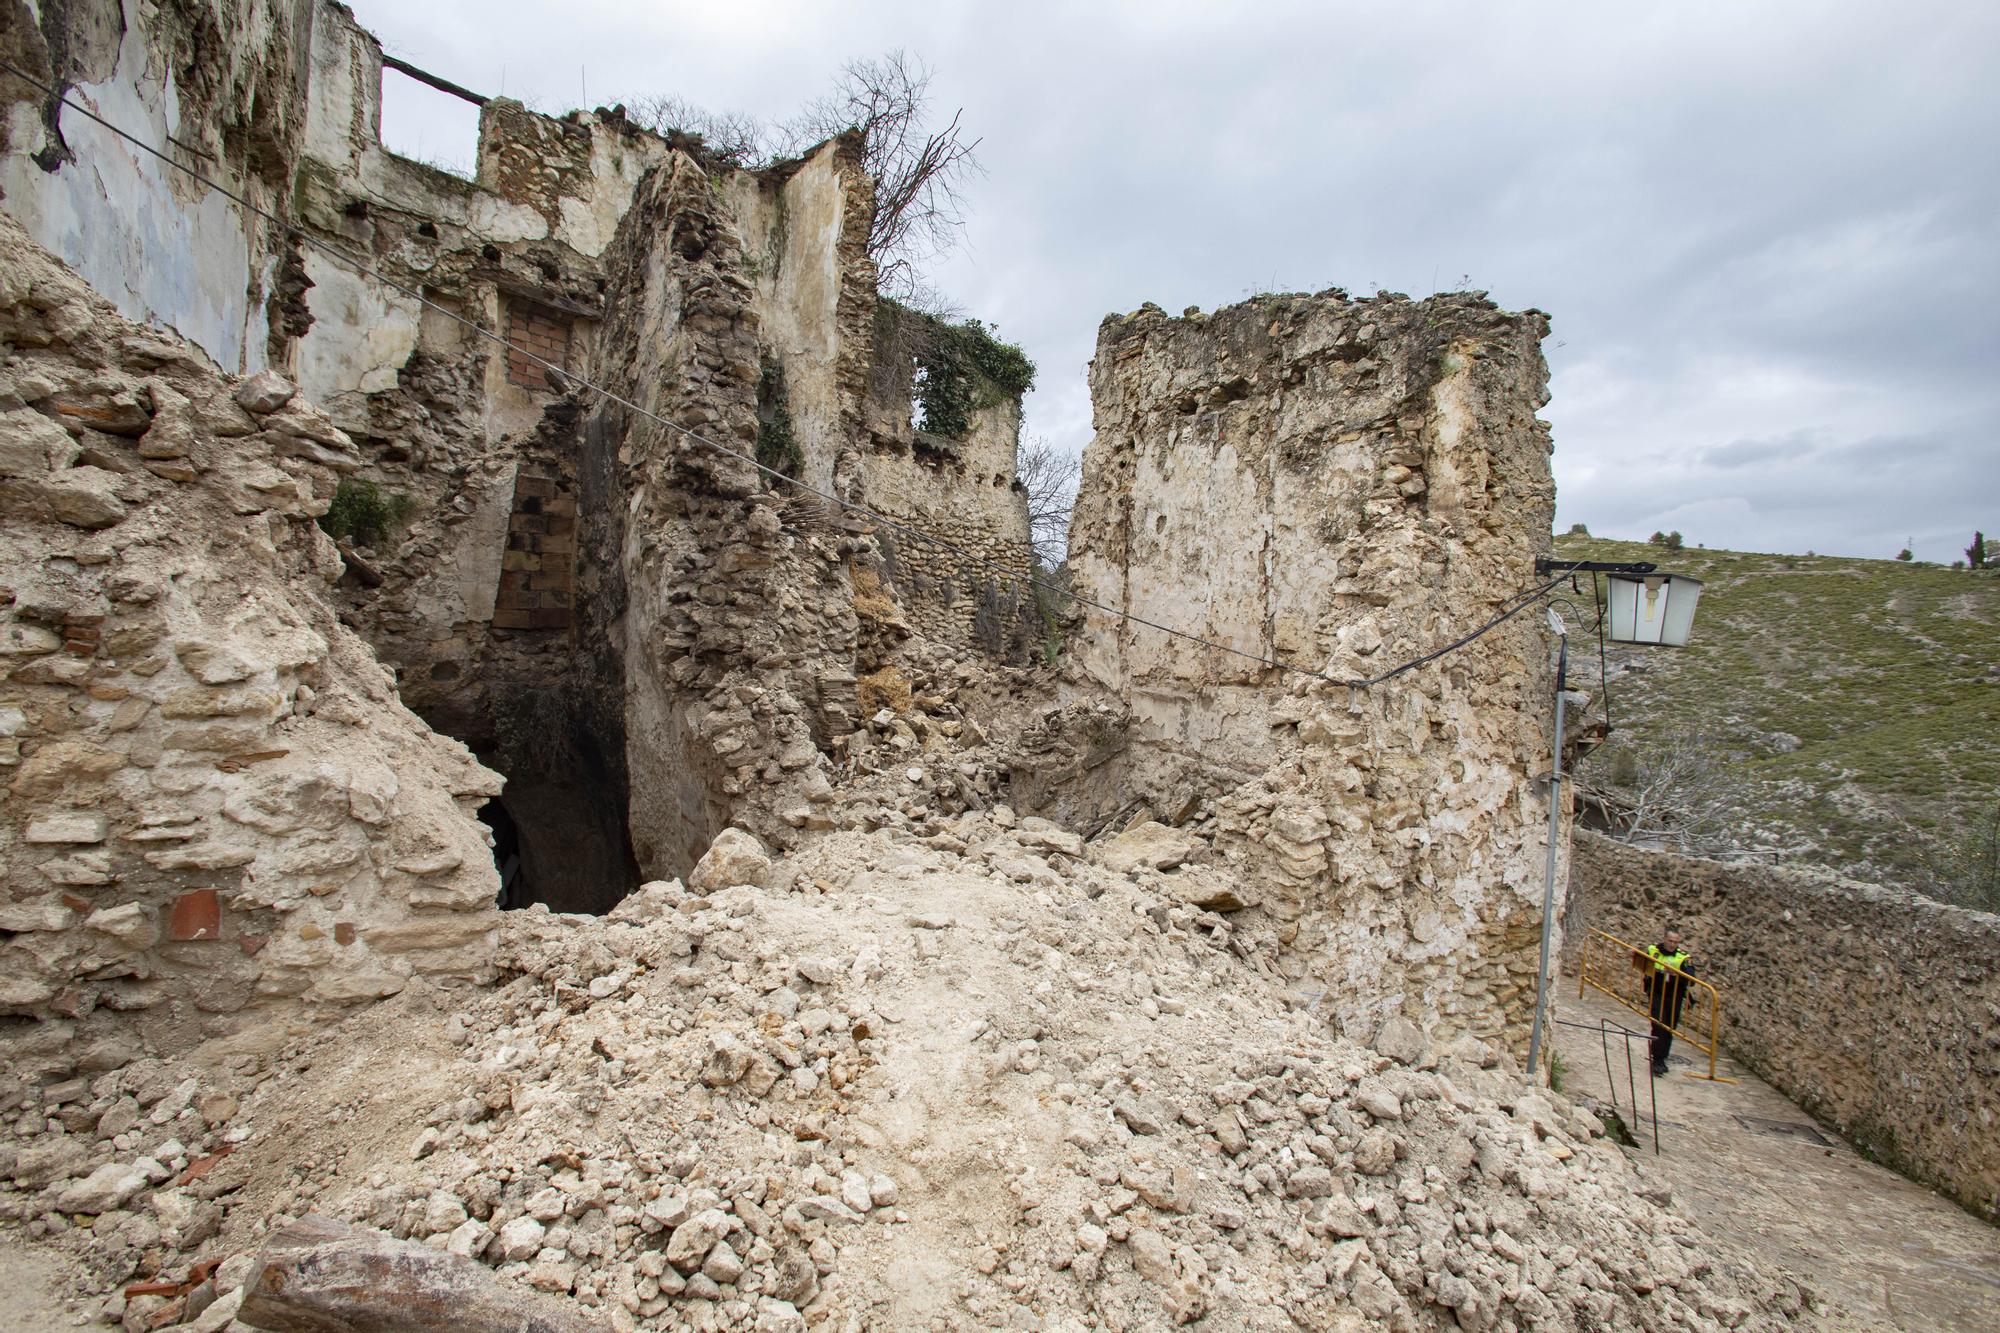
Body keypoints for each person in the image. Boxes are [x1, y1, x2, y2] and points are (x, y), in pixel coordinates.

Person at [1643, 929, 1697, 1077]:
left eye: (1676, 942)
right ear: (1665, 939)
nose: (1673, 944)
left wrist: (1676, 973)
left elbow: (1692, 978)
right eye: (1670, 941)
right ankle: (1657, 1059)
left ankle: (1663, 1055)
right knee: (1658, 1024)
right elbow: (1642, 962)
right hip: (1656, 993)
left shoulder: (1683, 958)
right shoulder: (1653, 950)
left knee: (1669, 1027)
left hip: (1674, 996)